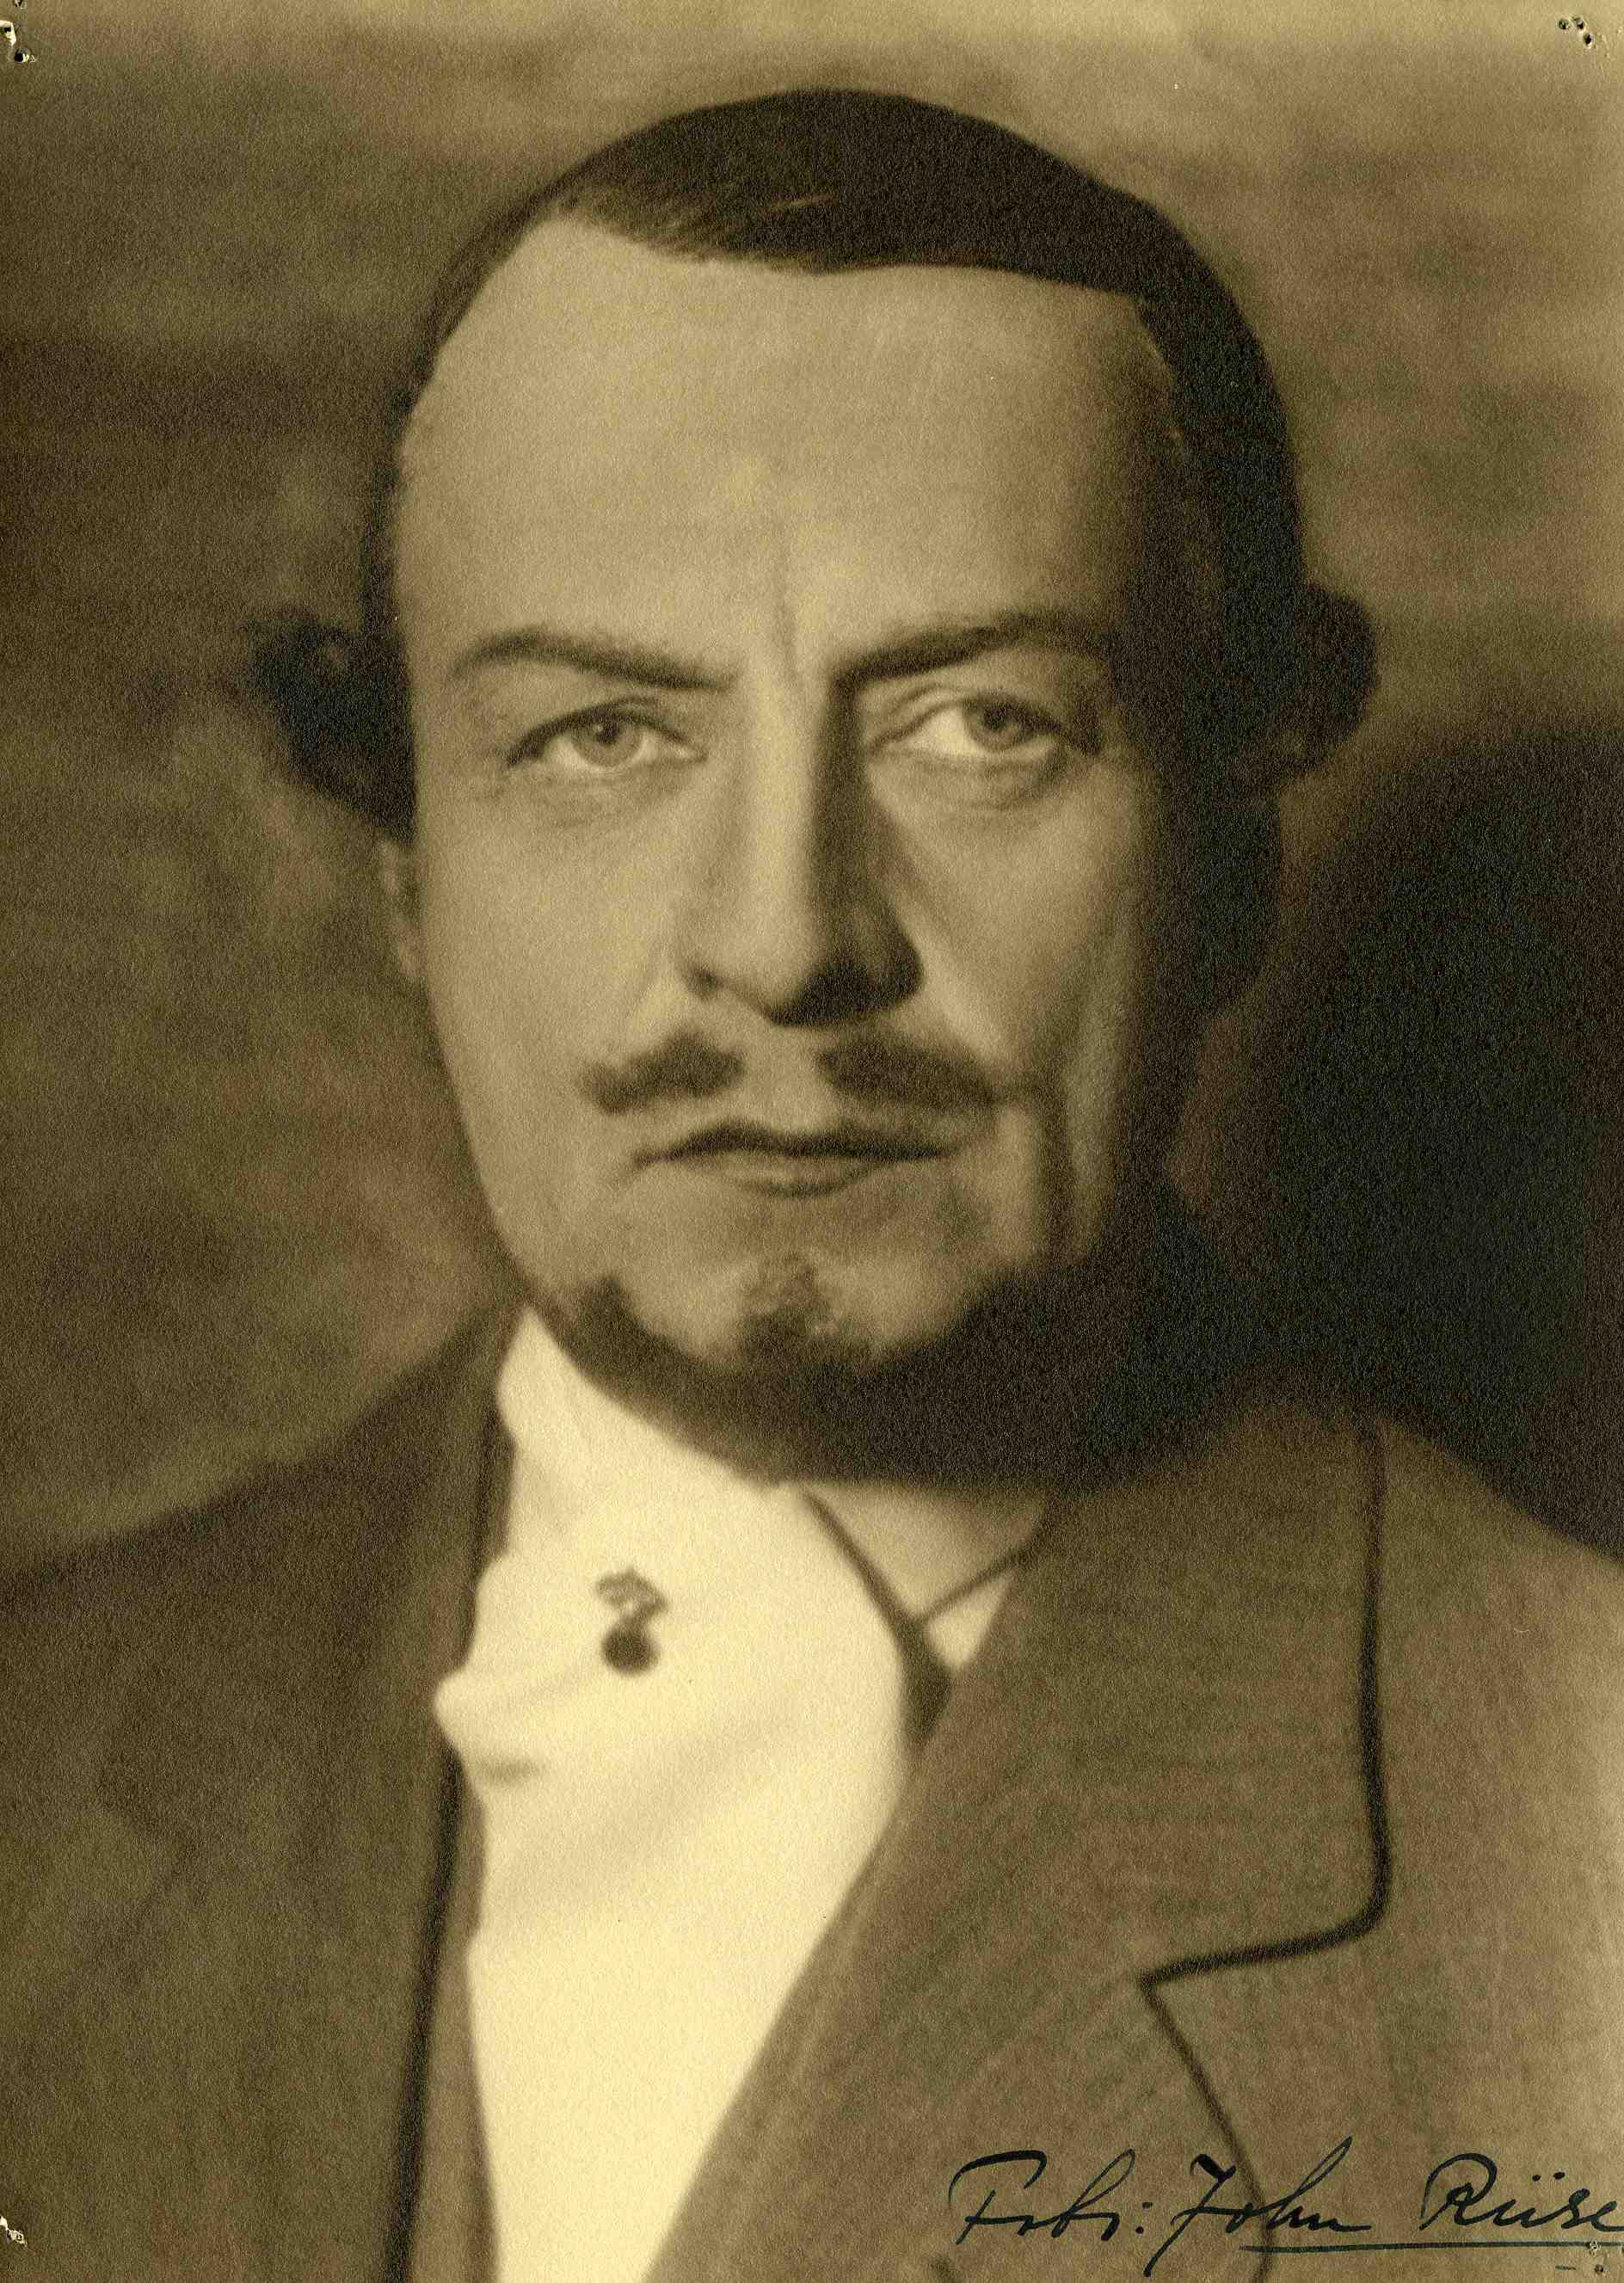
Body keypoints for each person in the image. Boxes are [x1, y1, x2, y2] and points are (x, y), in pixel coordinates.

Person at [6, 87, 1623, 2283]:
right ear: (405, 872)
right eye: (600, 736)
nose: (782, 942)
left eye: (981, 726)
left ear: (1229, 856)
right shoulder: (42, 1748)